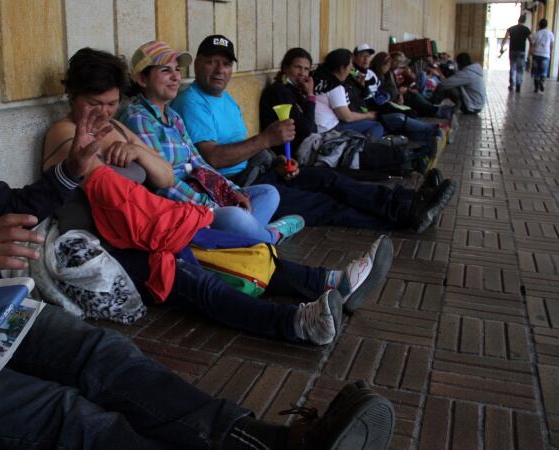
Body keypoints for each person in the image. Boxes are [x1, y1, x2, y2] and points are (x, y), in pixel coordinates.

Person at [0, 17, 396, 450]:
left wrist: (70, 170)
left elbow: (6, 206)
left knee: (107, 355)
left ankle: (261, 438)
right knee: (74, 417)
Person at [46, 46, 370, 345]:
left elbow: (163, 174)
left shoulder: (118, 128)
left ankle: (331, 280)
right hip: (111, 241)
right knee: (195, 278)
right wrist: (87, 160)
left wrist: (139, 153)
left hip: (152, 225)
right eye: (93, 104)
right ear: (72, 96)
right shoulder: (64, 133)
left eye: (111, 104)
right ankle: (296, 323)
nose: (102, 113)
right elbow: (83, 183)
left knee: (237, 250)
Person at [177, 36, 456, 233]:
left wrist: (276, 160)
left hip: (261, 170)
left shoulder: (226, 98)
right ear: (197, 64)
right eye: (212, 62)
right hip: (238, 188)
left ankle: (408, 203)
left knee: (331, 179)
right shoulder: (192, 102)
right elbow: (212, 157)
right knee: (324, 205)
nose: (220, 70)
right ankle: (406, 215)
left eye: (225, 64)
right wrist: (266, 140)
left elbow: (244, 145)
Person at [119, 41, 305, 245]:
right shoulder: (138, 118)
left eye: (177, 70)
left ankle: (237, 241)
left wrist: (231, 191)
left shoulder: (172, 116)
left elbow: (199, 163)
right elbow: (163, 184)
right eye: (165, 70)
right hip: (181, 208)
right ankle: (270, 236)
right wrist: (213, 205)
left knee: (267, 193)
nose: (176, 77)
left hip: (203, 192)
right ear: (142, 78)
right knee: (235, 216)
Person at [312, 48, 383, 138]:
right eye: (351, 64)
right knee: (376, 125)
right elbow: (347, 117)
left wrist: (361, 86)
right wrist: (368, 115)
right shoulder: (335, 86)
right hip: (329, 130)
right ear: (342, 68)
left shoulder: (319, 78)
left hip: (319, 127)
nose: (352, 68)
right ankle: (364, 149)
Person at [258, 47, 317, 151]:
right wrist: (310, 95)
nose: (302, 73)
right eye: (298, 67)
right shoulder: (279, 91)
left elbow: (311, 126)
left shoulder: (294, 89)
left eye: (306, 69)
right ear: (286, 68)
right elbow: (306, 129)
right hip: (288, 154)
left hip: (304, 147)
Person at [499, 14, 532, 93]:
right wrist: (530, 52)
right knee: (520, 69)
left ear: (518, 20)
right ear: (524, 21)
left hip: (512, 51)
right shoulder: (526, 30)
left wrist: (502, 48)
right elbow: (531, 41)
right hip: (521, 51)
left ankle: (511, 84)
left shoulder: (511, 29)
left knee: (512, 67)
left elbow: (505, 38)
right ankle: (518, 85)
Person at [531, 18, 555, 93]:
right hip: (545, 55)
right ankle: (542, 81)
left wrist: (531, 53)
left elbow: (533, 44)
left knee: (536, 72)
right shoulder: (550, 33)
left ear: (539, 25)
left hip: (536, 54)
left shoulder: (536, 33)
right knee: (544, 71)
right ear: (546, 25)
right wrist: (550, 52)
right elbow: (552, 44)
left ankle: (536, 88)